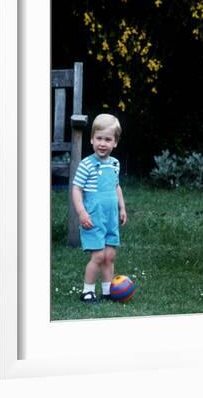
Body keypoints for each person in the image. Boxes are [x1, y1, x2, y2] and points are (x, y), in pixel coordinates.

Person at [72, 113, 127, 302]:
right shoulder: (86, 164)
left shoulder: (114, 164)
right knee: (98, 256)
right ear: (92, 139)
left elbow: (116, 186)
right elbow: (77, 189)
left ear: (115, 143)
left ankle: (107, 290)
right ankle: (87, 290)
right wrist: (81, 212)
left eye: (108, 139)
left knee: (109, 255)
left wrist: (122, 208)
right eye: (99, 138)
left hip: (110, 218)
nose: (102, 143)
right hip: (93, 217)